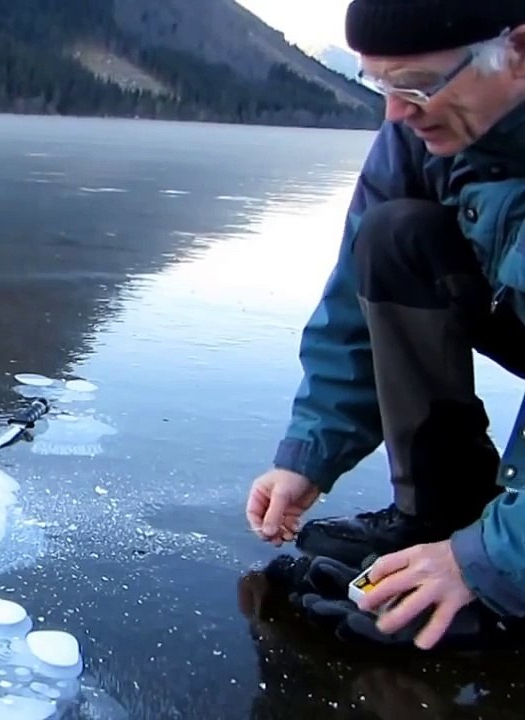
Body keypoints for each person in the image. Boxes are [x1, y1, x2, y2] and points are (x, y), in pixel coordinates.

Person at [245, 0, 525, 650]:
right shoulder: (413, 136)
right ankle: (440, 508)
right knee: (392, 235)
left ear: (517, 51)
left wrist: (489, 565)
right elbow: (353, 296)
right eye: (382, 86)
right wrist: (310, 453)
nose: (396, 113)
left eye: (418, 86)